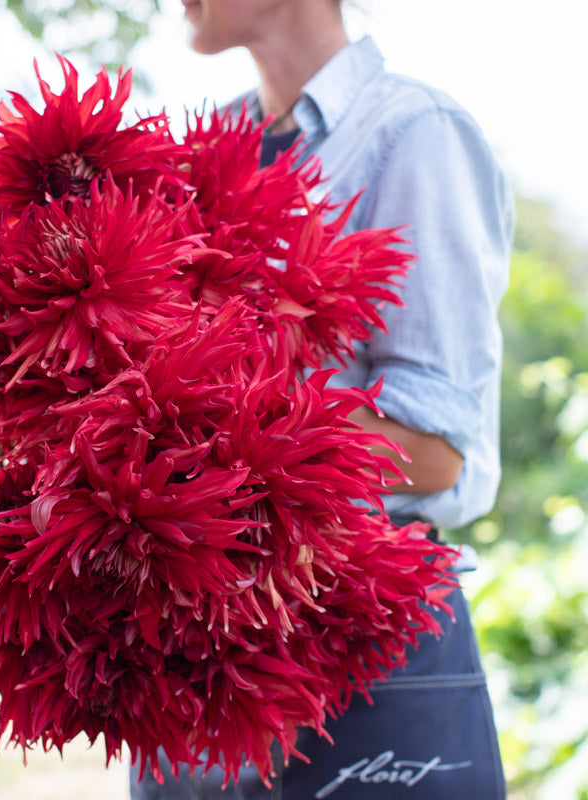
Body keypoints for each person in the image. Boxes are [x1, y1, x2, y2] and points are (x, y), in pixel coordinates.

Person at [131, 1, 514, 797]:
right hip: (193, 645)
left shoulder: (413, 132)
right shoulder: (198, 153)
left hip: (358, 630)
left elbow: (434, 452)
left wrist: (194, 421)